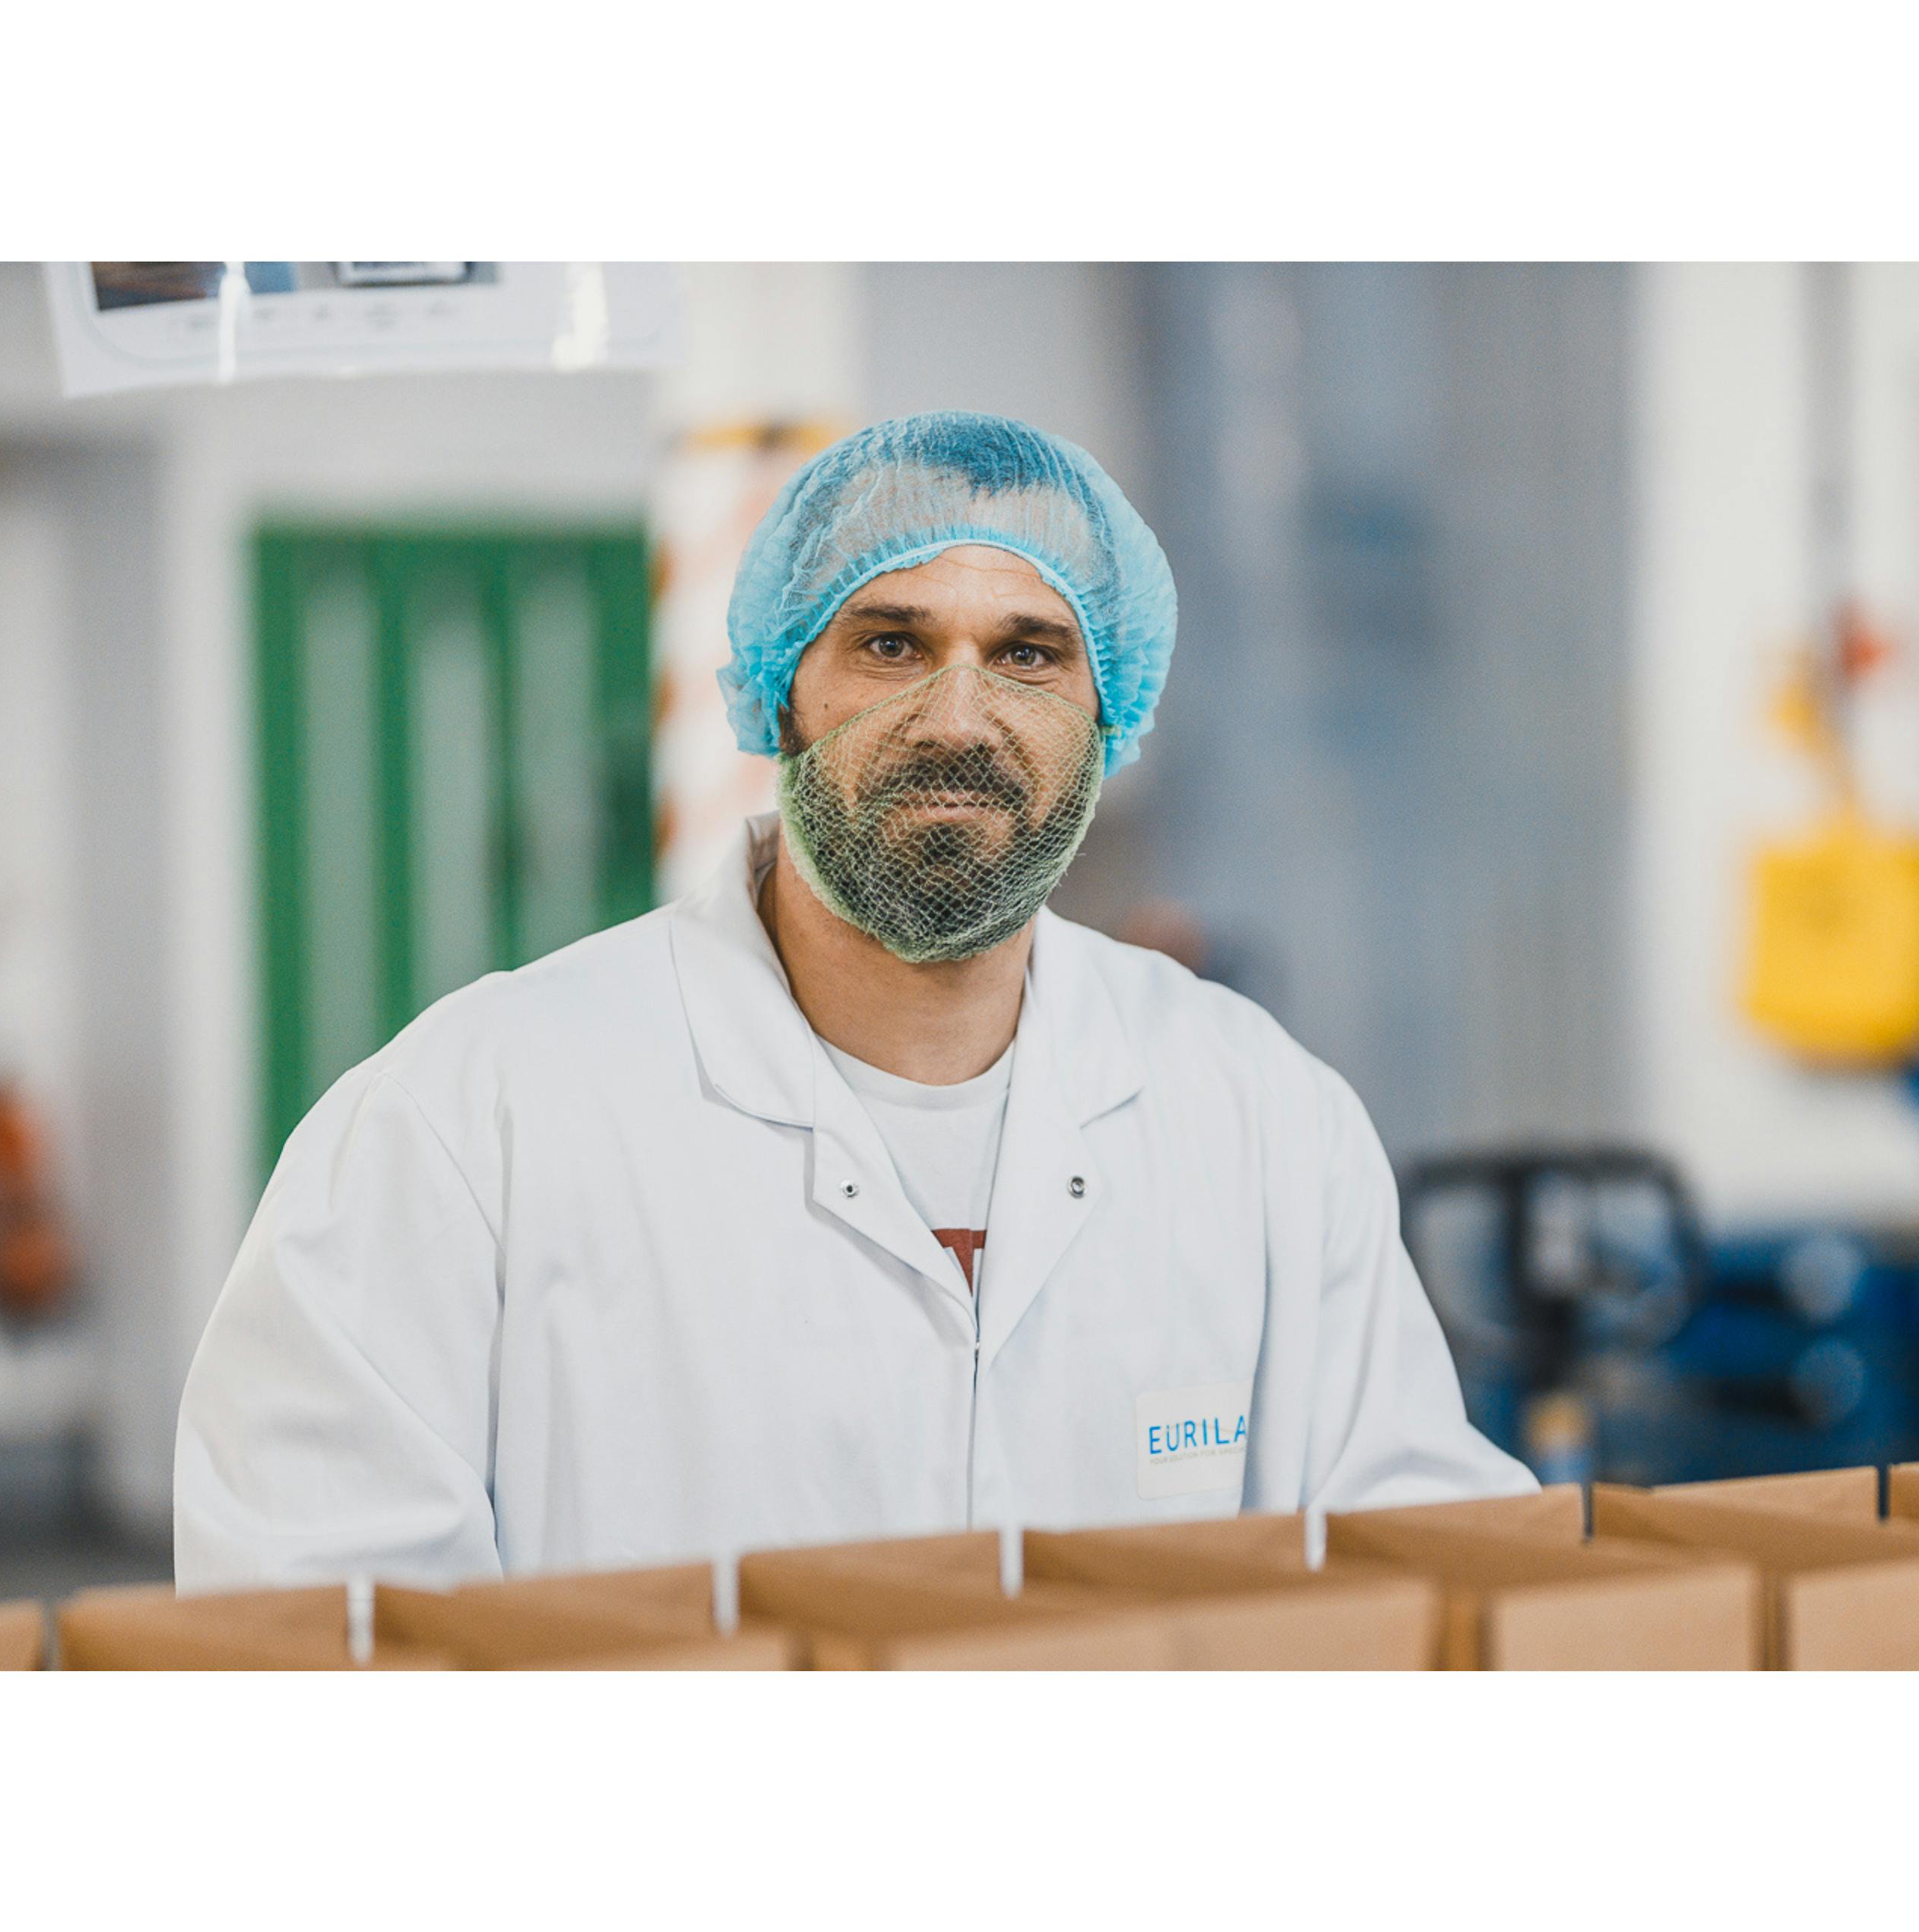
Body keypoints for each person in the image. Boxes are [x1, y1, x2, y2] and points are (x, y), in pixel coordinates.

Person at [174, 411, 1532, 1590]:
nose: (958, 718)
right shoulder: (463, 1129)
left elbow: (1416, 1579)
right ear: (779, 692)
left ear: (1114, 708)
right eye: (891, 643)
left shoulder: (1262, 1119)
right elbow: (313, 1636)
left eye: (1031, 653)